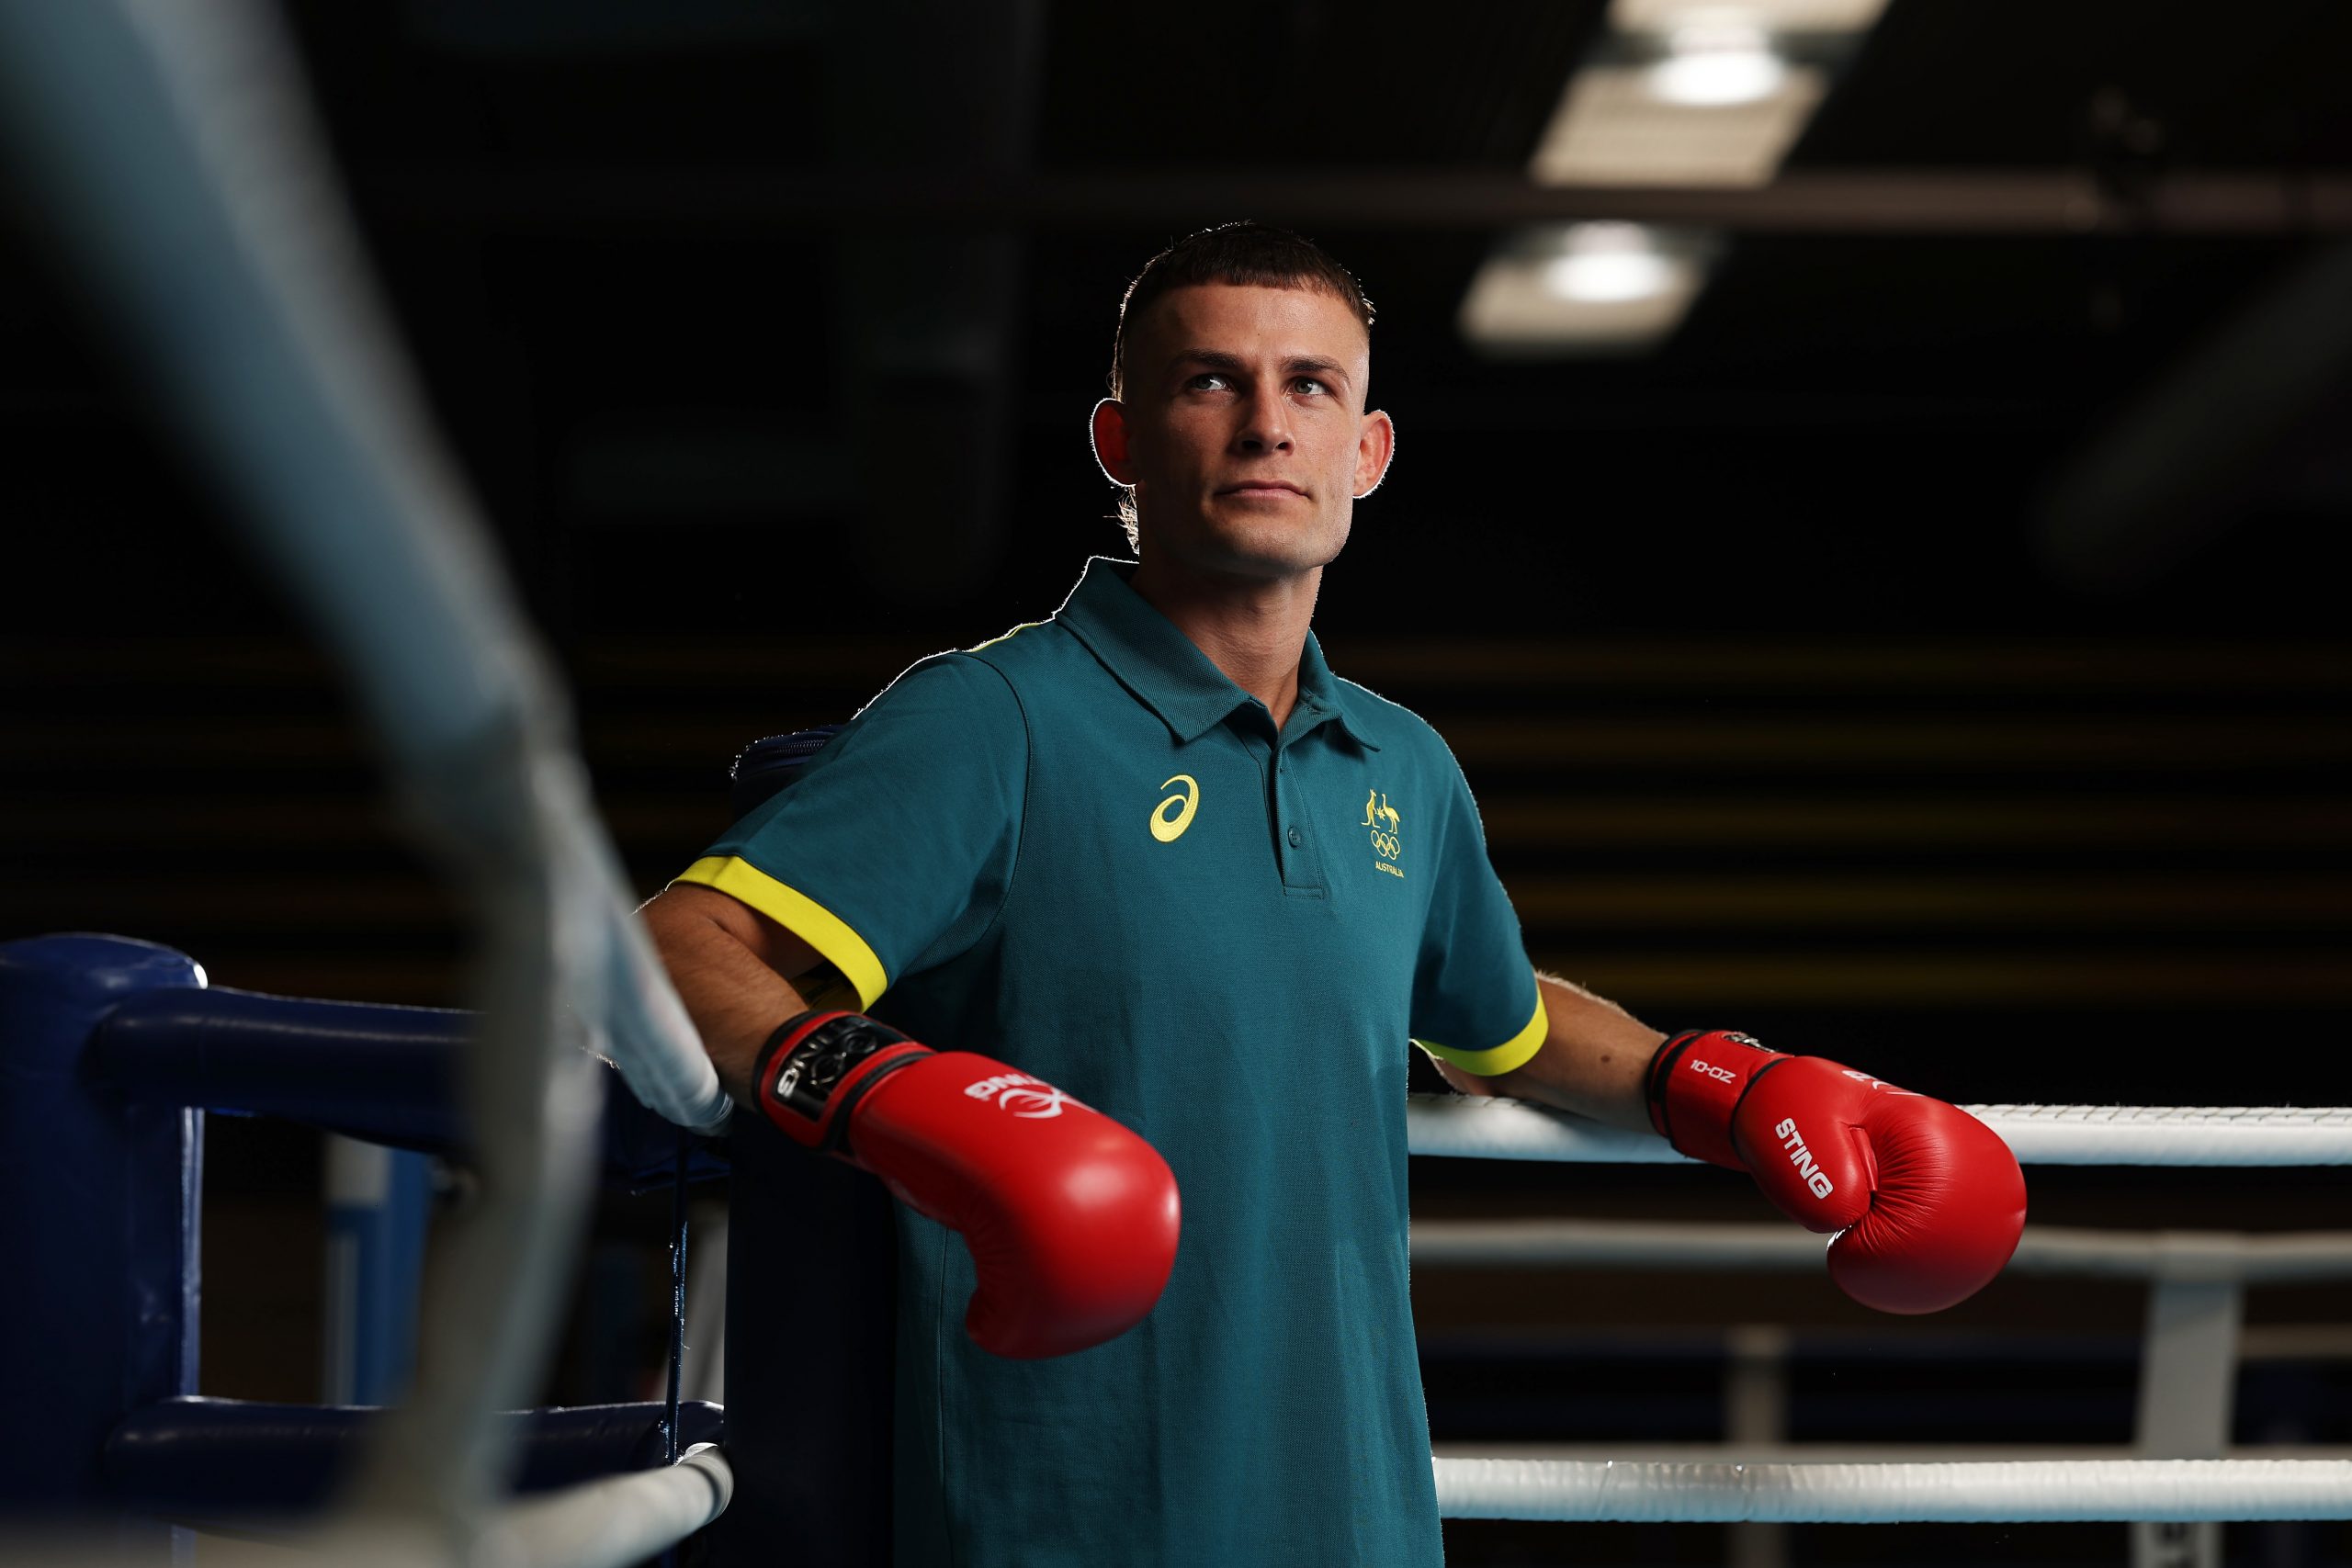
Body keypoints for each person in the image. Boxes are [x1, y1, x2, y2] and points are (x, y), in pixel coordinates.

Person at [640, 221, 2026, 1567]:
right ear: (1121, 444)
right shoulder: (994, 719)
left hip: (1360, 1513)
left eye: (1310, 385)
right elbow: (681, 941)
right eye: (1209, 382)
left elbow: (1506, 1026)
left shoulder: (1403, 765)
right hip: (1073, 1517)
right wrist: (878, 1089)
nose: (1265, 425)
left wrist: (1722, 1085)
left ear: (1365, 453)